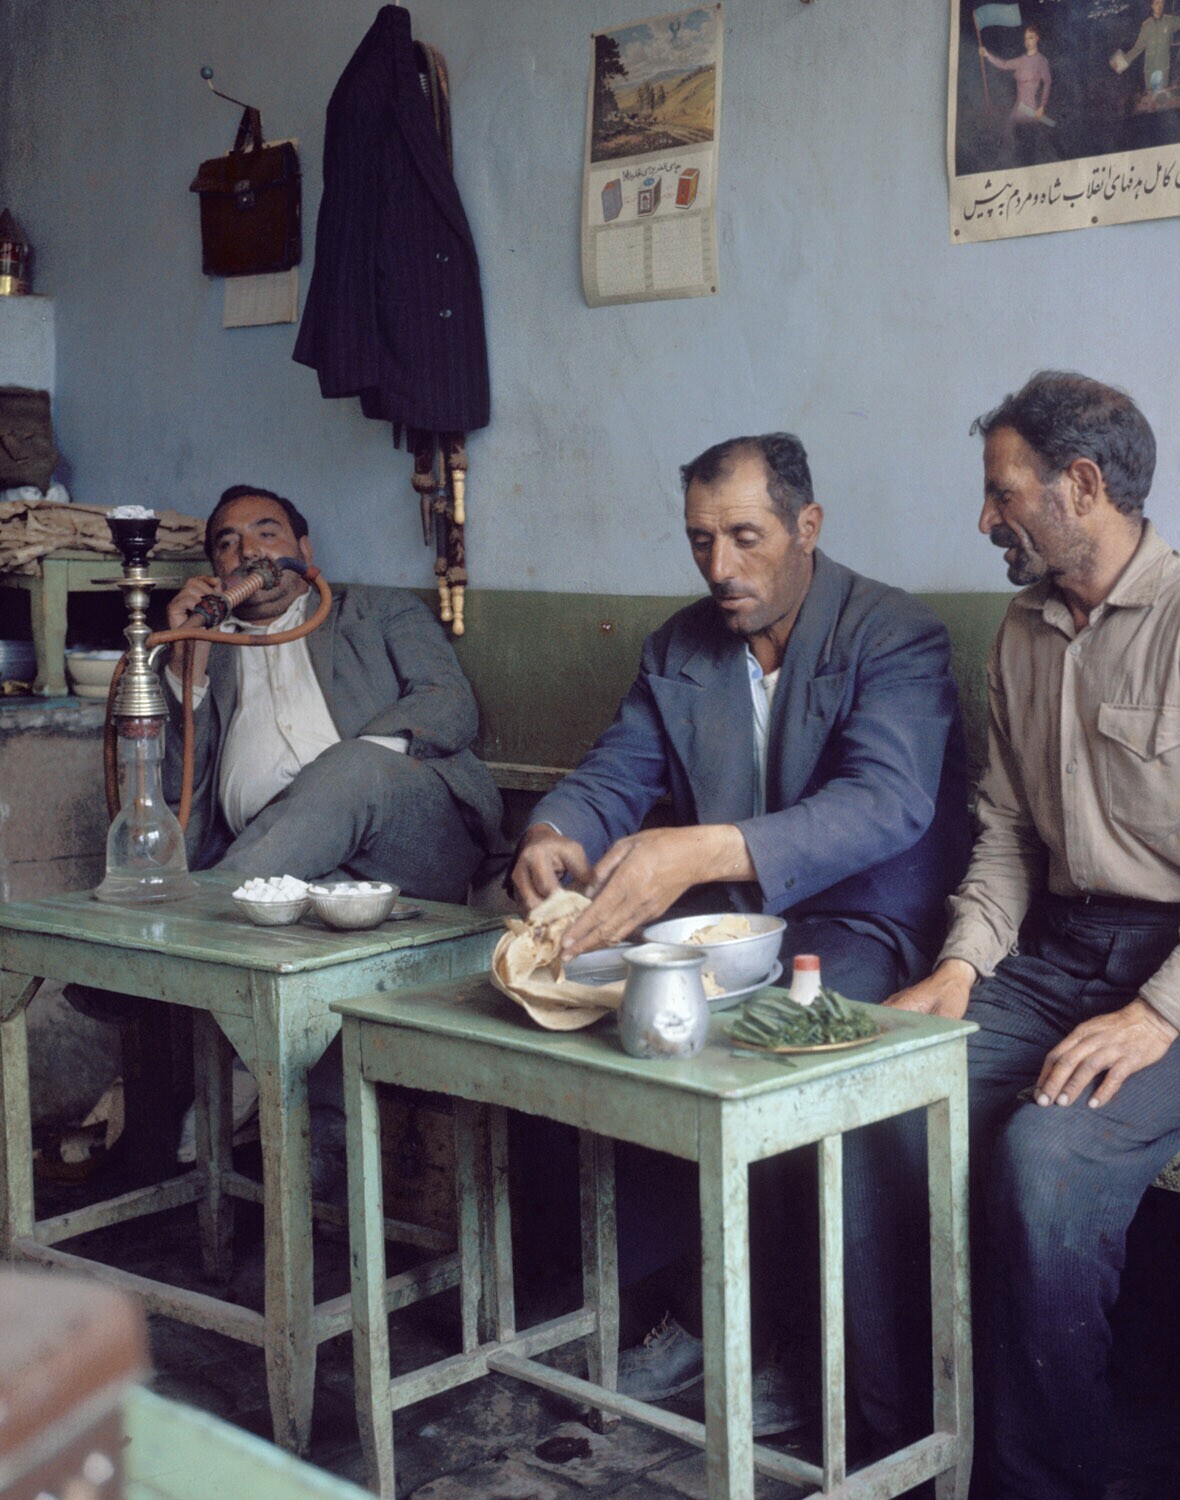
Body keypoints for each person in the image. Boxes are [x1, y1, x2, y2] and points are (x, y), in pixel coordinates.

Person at [887, 372, 1180, 1499]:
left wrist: (1154, 1013)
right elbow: (1005, 832)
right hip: (1058, 961)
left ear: (1081, 486)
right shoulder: (1024, 631)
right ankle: (904, 1449)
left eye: (1003, 494)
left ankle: (1036, 1485)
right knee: (887, 1098)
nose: (985, 519)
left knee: (1045, 1157)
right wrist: (961, 965)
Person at [512, 432, 971, 1440]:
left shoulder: (894, 633)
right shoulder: (680, 646)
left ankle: (807, 1355)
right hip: (728, 923)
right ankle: (698, 1311)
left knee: (776, 1052)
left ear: (808, 527)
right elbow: (617, 773)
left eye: (746, 538)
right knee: (630, 1028)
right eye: (699, 541)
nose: (720, 566)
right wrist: (553, 833)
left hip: (860, 923)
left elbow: (886, 802)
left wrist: (699, 851)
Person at [162, 484, 504, 901]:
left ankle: (206, 907)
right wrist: (187, 662)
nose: (248, 551)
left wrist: (344, 775)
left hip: (410, 836)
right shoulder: (206, 651)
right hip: (292, 865)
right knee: (305, 899)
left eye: (266, 533)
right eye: (228, 543)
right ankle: (249, 897)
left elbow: (449, 700)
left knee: (354, 766)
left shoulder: (377, 610)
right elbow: (177, 793)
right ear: (215, 569)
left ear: (304, 551)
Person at [1112, 0, 1180, 97]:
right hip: (1150, 71)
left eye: (1162, 3)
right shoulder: (1146, 26)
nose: (1159, 6)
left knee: (1161, 100)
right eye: (1157, 3)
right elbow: (1137, 49)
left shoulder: (1170, 21)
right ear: (1152, 6)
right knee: (1151, 101)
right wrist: (1119, 63)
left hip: (1163, 70)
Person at [982, 26, 1054, 128]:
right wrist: (987, 55)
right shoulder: (1020, 60)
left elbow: (1047, 82)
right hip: (1018, 109)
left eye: (1031, 37)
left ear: (1037, 38)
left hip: (1032, 111)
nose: (1027, 41)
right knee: (1009, 132)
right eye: (1026, 38)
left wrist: (1042, 106)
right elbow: (1004, 64)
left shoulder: (1041, 60)